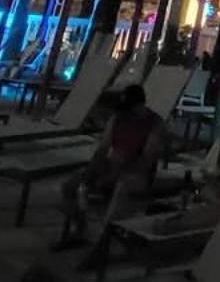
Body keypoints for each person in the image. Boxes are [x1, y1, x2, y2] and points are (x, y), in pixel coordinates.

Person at [53, 83, 168, 254]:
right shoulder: (118, 118)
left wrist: (115, 174)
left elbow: (145, 160)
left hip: (137, 173)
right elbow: (103, 148)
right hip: (113, 166)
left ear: (139, 105)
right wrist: (92, 170)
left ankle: (103, 242)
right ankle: (80, 229)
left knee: (122, 188)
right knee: (70, 186)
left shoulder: (154, 124)